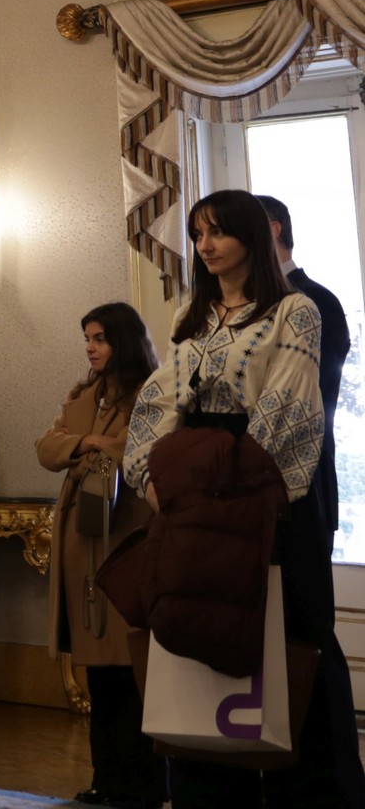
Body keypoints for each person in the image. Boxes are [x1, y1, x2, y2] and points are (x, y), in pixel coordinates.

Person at [125, 190, 339, 809]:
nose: (206, 246)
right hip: (195, 489)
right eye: (197, 235)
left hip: (262, 492)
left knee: (289, 637)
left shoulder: (296, 310)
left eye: (218, 232)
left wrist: (244, 492)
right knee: (200, 626)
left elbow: (289, 406)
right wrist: (155, 479)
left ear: (251, 235)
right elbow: (162, 399)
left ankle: (311, 793)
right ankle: (207, 787)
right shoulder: (189, 313)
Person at [257, 194, 365, 806]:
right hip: (253, 501)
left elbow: (304, 406)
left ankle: (334, 786)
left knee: (309, 637)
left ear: (270, 229)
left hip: (300, 492)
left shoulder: (313, 304)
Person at [37, 302, 162, 809]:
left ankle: (144, 784)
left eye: (100, 338)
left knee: (131, 670)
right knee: (101, 677)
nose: (90, 347)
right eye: (87, 338)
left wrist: (89, 445)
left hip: (125, 542)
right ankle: (107, 780)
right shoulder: (83, 396)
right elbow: (46, 447)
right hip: (81, 548)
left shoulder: (149, 395)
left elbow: (140, 448)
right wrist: (89, 439)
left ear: (123, 342)